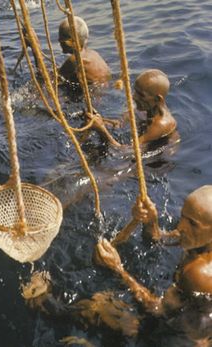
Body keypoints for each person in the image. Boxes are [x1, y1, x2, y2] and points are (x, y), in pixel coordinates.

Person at [95, 185, 212, 346]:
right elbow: (164, 239)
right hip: (190, 316)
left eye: (192, 223)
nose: (180, 227)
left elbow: (158, 310)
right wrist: (151, 222)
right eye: (183, 216)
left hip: (186, 337)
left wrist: (118, 269)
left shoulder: (197, 274)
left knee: (97, 306)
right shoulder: (201, 241)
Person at [133, 69, 179, 148]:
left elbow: (126, 150)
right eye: (135, 91)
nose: (134, 97)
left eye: (141, 95)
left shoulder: (160, 125)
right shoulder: (150, 110)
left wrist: (104, 131)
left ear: (157, 99)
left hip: (160, 155)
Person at [58, 16, 111, 85]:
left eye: (61, 39)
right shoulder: (94, 54)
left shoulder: (74, 60)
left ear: (70, 42)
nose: (59, 42)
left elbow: (54, 81)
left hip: (89, 93)